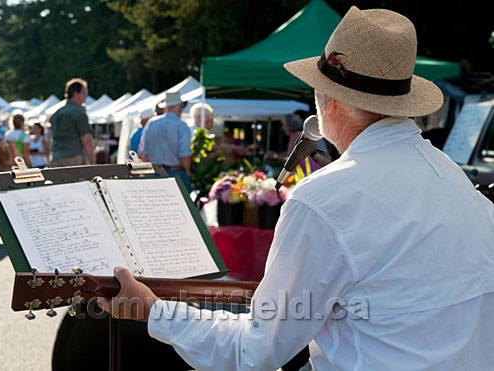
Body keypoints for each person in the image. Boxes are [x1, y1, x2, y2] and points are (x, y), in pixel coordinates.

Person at [97, 7, 494, 370]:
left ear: (329, 103)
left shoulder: (325, 198)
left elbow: (254, 352)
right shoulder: (454, 177)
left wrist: (153, 311)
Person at [138, 91, 192, 192]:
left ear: (165, 107)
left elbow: (144, 153)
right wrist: (188, 171)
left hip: (154, 172)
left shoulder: (152, 123)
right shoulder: (182, 126)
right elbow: (185, 154)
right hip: (175, 172)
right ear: (179, 106)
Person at [49, 78, 95, 167]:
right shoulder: (79, 112)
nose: (86, 96)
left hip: (55, 158)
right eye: (84, 93)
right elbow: (87, 139)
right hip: (74, 158)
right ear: (75, 93)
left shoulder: (56, 114)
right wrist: (93, 163)